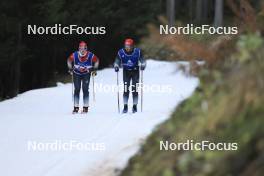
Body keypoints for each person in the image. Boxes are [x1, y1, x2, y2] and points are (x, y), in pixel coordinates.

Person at [114, 38, 146, 113]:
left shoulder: (137, 52)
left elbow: (142, 60)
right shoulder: (121, 52)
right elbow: (117, 60)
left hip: (135, 71)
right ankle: (125, 106)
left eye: (129, 46)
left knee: (135, 89)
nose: (127, 47)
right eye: (126, 46)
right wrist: (116, 66)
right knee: (126, 89)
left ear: (132, 46)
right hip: (126, 72)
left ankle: (134, 106)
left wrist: (143, 65)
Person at [67, 41, 99, 114]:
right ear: (79, 49)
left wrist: (95, 69)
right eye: (81, 49)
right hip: (76, 73)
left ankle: (85, 107)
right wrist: (70, 69)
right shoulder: (75, 55)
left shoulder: (90, 55)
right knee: (77, 89)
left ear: (86, 48)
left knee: (85, 89)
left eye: (84, 49)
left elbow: (97, 61)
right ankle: (76, 107)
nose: (82, 51)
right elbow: (69, 60)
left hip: (86, 73)